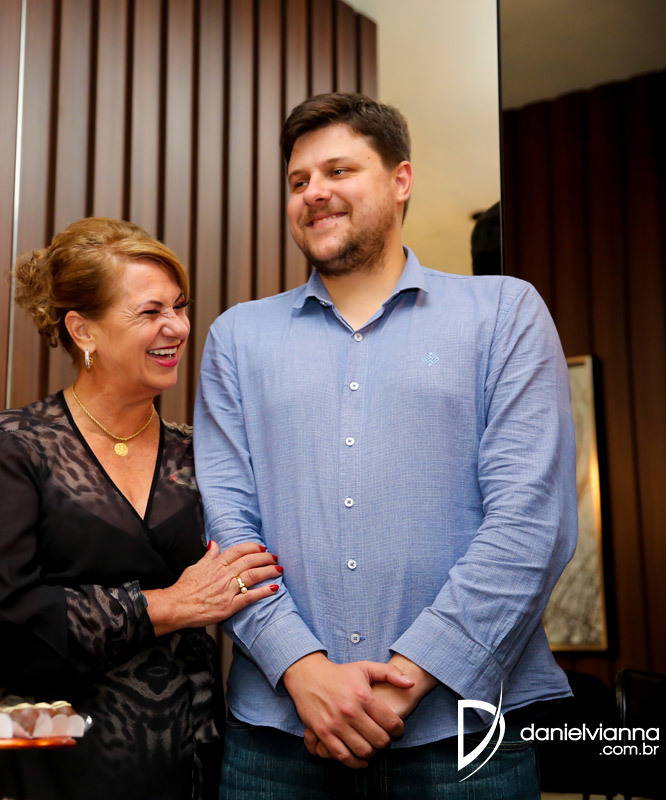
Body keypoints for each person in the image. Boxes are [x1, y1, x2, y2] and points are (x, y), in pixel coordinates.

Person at [194, 93, 576, 798]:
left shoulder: (504, 314)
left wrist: (403, 683)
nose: (314, 192)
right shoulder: (236, 339)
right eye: (298, 180)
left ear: (401, 180)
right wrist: (302, 669)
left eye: (338, 170)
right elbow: (227, 528)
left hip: (465, 739)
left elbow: (531, 523)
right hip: (277, 738)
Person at [0, 217, 281, 800]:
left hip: (188, 766)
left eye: (179, 307)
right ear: (83, 329)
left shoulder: (200, 453)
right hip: (45, 768)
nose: (177, 327)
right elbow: (4, 627)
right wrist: (169, 605)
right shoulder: (16, 444)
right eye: (150, 311)